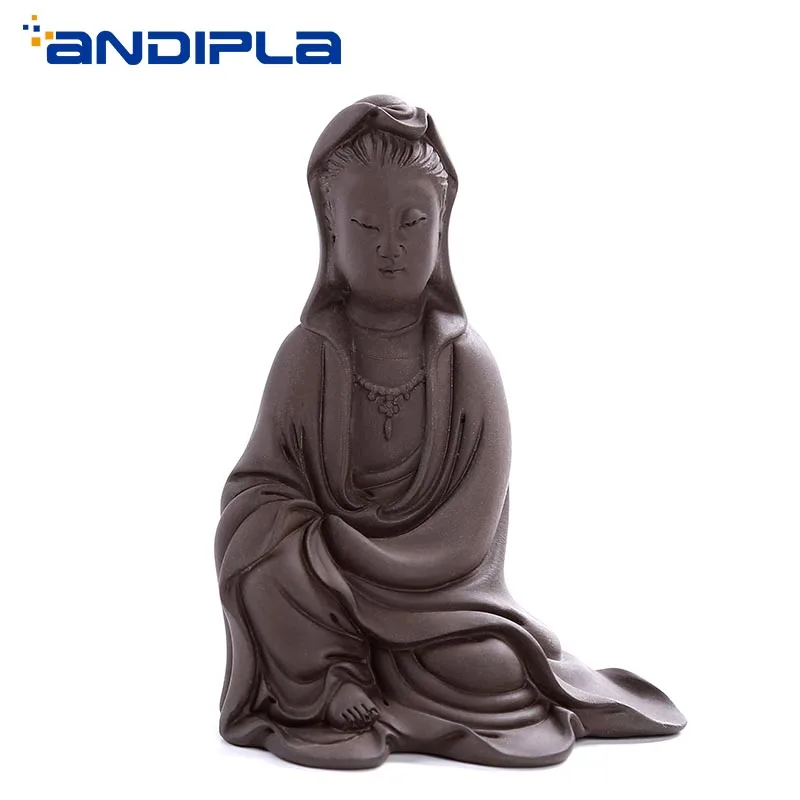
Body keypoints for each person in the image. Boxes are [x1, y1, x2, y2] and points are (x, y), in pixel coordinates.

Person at [214, 95, 686, 769]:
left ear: (442, 226)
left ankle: (375, 676)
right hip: (323, 588)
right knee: (259, 555)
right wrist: (309, 542)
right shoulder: (307, 354)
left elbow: (472, 533)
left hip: (440, 600)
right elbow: (258, 485)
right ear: (331, 230)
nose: (390, 248)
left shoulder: (466, 362)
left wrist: (365, 557)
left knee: (492, 669)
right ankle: (333, 677)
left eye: (413, 223)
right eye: (365, 225)